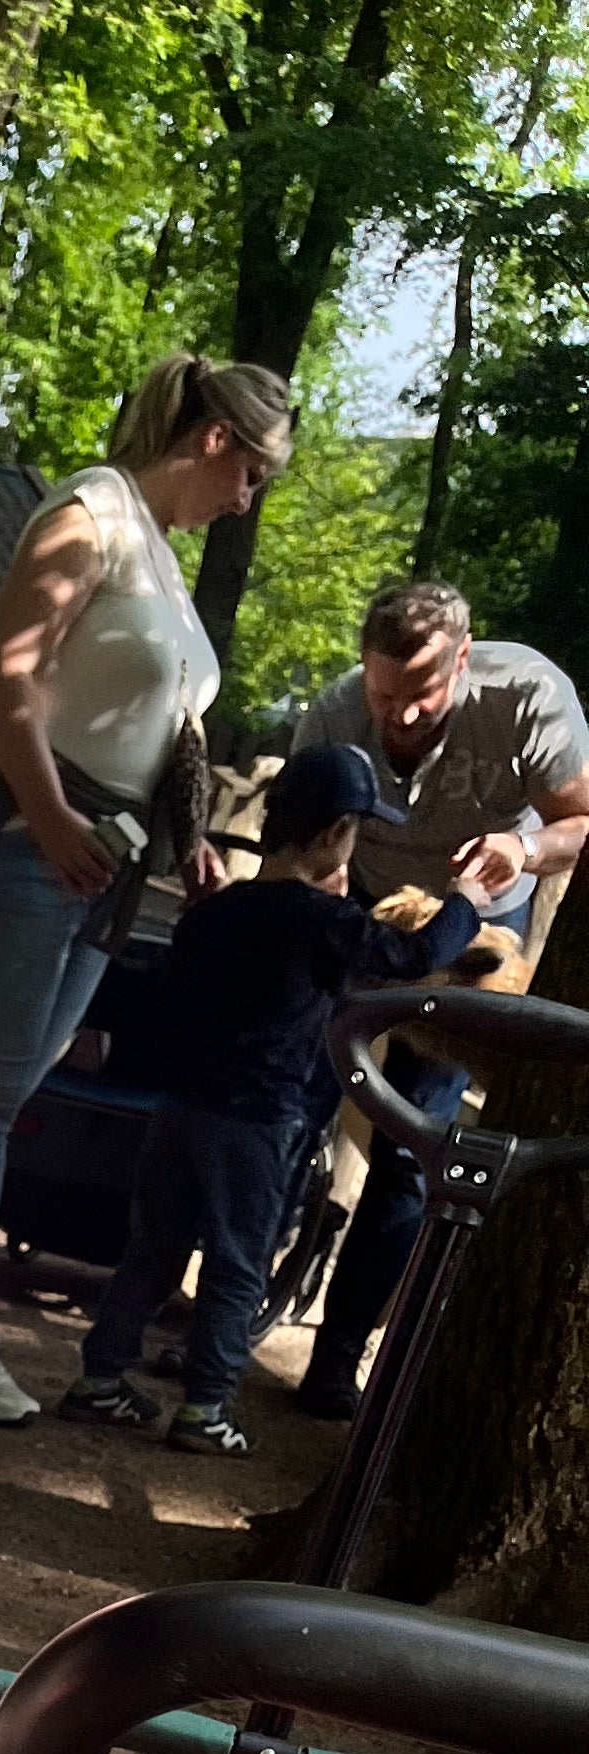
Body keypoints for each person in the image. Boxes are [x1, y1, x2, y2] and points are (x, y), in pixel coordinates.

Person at [0, 350, 293, 1425]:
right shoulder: (91, 512)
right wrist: (50, 816)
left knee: (1, 1095)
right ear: (213, 439)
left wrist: (187, 839)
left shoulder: (156, 549)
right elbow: (8, 674)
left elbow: (164, 725)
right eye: (250, 473)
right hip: (32, 841)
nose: (246, 498)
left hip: (104, 865)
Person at [56, 742, 491, 1456]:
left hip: (179, 1107)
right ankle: (205, 1406)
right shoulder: (322, 921)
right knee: (237, 1261)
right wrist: (465, 903)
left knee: (152, 1249)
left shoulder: (213, 913)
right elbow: (408, 956)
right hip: (257, 1119)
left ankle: (99, 1377)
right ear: (335, 833)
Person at [285, 578, 589, 1417]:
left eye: (422, 692)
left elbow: (580, 820)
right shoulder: (334, 715)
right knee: (288, 1101)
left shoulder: (527, 696)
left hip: (471, 931)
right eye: (385, 695)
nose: (404, 715)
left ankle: (338, 1360)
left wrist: (525, 850)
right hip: (362, 908)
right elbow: (299, 849)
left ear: (464, 659)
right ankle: (217, 1323)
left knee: (417, 1145)